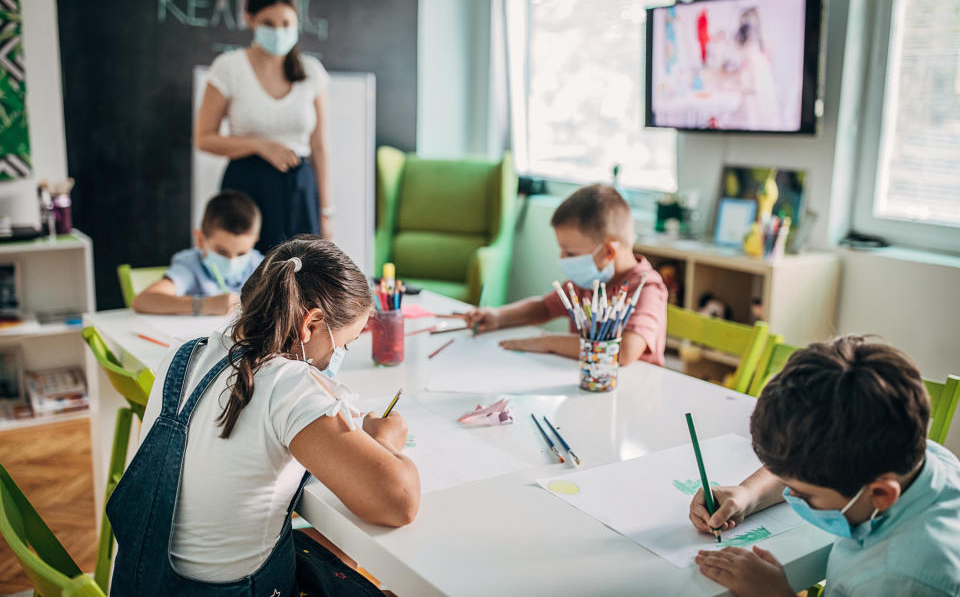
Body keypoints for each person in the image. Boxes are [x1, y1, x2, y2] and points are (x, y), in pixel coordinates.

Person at [108, 237, 419, 596]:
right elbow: (399, 502)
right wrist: (385, 440)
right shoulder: (289, 385)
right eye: (343, 344)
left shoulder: (186, 354)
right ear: (311, 324)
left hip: (144, 583)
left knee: (335, 554)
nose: (338, 356)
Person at [689, 336, 960, 597]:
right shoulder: (911, 455)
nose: (790, 496)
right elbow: (805, 468)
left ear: (880, 494)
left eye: (804, 495)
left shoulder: (902, 580)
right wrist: (747, 494)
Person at [195, 0, 334, 251]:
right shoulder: (228, 67)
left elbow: (320, 146)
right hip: (247, 188)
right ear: (250, 20)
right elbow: (204, 138)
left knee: (301, 276)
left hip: (299, 189)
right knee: (251, 277)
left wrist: (326, 211)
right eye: (268, 24)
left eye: (286, 23)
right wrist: (260, 146)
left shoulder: (312, 72)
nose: (279, 31)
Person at [462, 184, 667, 366]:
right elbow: (544, 308)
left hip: (634, 393)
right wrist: (499, 317)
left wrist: (549, 342)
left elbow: (624, 352)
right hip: (585, 381)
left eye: (570, 253)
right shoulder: (588, 282)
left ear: (609, 252)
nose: (562, 258)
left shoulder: (646, 287)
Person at [132, 190, 262, 315]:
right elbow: (143, 301)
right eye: (222, 252)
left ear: (254, 241)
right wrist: (206, 304)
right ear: (200, 240)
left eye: (241, 254)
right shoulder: (191, 265)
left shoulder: (260, 265)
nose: (231, 261)